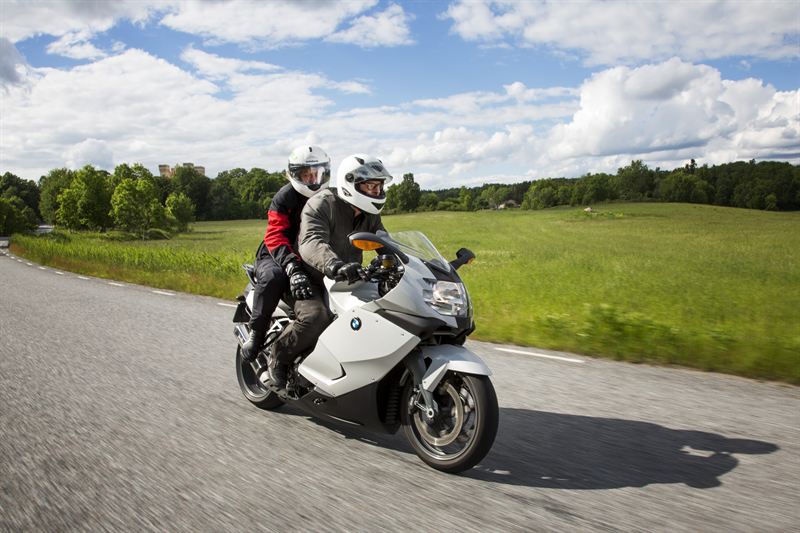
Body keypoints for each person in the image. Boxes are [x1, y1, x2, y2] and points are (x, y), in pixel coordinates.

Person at [267, 154, 393, 390]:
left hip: (347, 281)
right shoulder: (323, 203)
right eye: (371, 186)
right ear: (350, 183)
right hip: (308, 278)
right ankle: (278, 356)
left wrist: (411, 264)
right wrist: (335, 265)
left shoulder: (370, 216)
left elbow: (385, 243)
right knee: (316, 318)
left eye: (379, 187)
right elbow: (311, 242)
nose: (376, 192)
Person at [240, 145, 331, 362]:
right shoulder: (285, 197)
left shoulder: (328, 197)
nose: (312, 179)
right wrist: (291, 266)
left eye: (317, 173)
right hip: (277, 253)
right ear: (295, 175)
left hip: (309, 255)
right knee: (275, 276)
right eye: (306, 174)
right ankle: (256, 333)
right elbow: (275, 235)